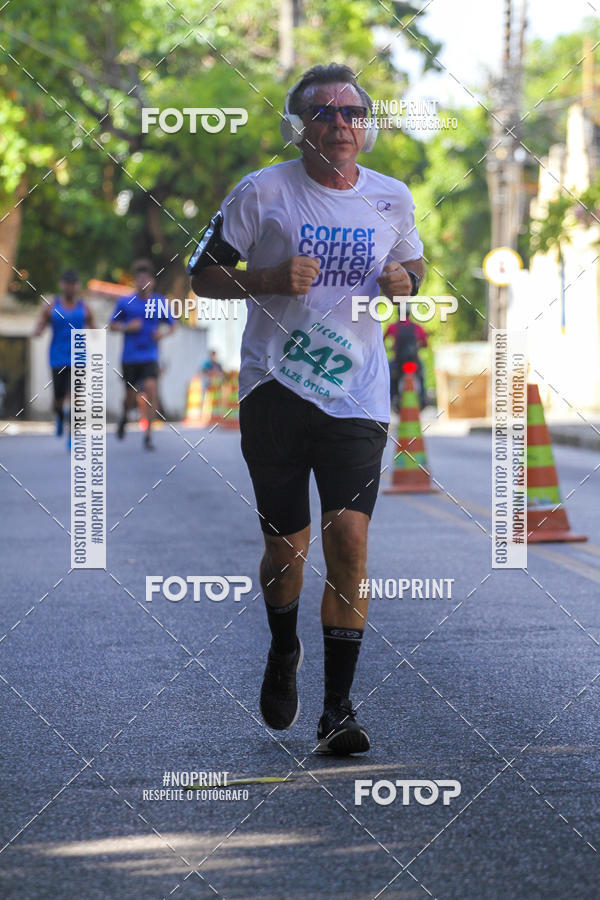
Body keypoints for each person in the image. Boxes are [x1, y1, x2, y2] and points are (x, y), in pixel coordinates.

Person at [190, 63, 425, 754]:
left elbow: (415, 267)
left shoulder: (391, 198)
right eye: (325, 114)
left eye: (353, 114)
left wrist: (404, 279)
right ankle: (284, 645)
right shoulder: (261, 193)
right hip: (274, 389)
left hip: (356, 392)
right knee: (285, 548)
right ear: (301, 128)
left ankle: (338, 710)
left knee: (348, 541)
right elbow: (202, 277)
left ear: (367, 127)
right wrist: (264, 278)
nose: (341, 124)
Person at [109, 259, 175, 450]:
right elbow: (112, 325)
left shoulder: (159, 302)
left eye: (146, 279)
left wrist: (161, 334)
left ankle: (148, 435)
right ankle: (124, 417)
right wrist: (127, 326)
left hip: (150, 356)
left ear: (152, 282)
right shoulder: (125, 302)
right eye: (139, 279)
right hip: (129, 357)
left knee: (151, 388)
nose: (142, 283)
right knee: (129, 397)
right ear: (135, 282)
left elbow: (173, 326)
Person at [34, 269, 94, 448]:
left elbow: (93, 327)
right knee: (59, 399)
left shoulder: (84, 308)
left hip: (78, 357)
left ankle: (72, 435)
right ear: (62, 285)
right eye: (67, 283)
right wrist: (38, 330)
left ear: (77, 286)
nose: (70, 287)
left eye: (73, 283)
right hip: (57, 358)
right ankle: (59, 416)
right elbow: (41, 325)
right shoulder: (52, 306)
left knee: (75, 397)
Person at [385, 310, 428, 409]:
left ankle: (391, 398)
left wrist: (391, 347)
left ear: (398, 313)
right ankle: (423, 398)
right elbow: (425, 343)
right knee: (421, 375)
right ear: (410, 313)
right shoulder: (417, 327)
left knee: (389, 376)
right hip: (414, 361)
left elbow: (382, 340)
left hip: (398, 361)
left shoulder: (392, 327)